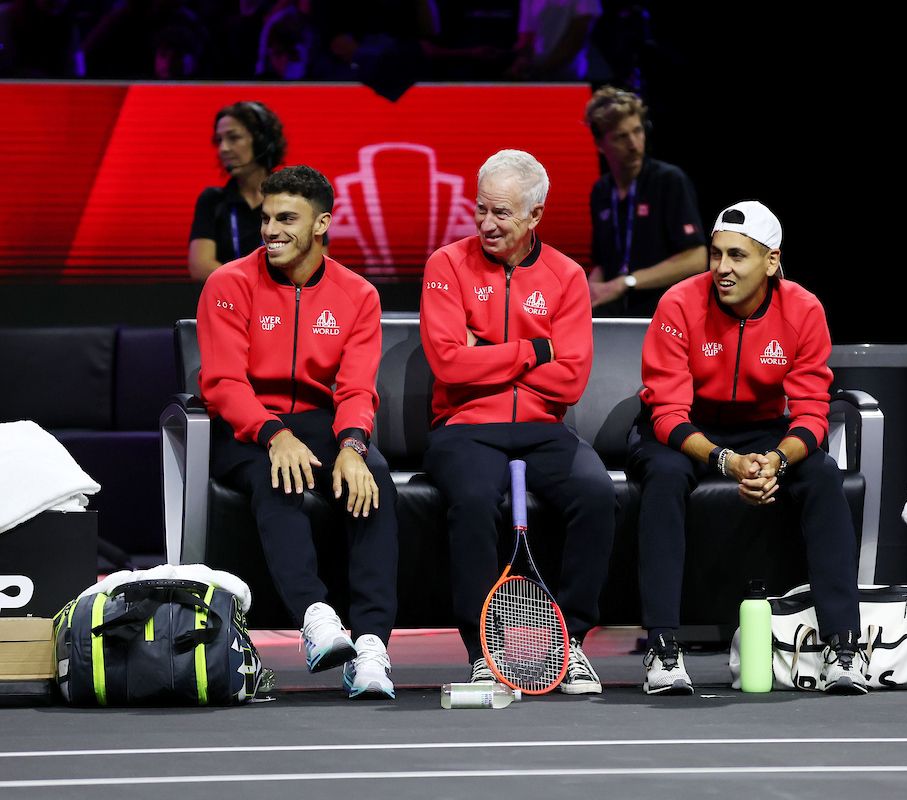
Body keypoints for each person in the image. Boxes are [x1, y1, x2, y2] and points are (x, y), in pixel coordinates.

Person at [628, 200, 867, 695]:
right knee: (666, 475)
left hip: (761, 429)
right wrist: (727, 461)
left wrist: (776, 461)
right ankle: (662, 649)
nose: (722, 269)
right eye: (716, 255)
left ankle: (843, 646)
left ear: (772, 262)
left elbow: (810, 415)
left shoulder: (803, 309)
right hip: (684, 429)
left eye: (737, 256)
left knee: (823, 475)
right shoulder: (678, 303)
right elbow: (667, 414)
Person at [196, 165, 399, 699]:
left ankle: (373, 648)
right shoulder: (229, 283)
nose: (271, 231)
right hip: (245, 428)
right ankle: (316, 620)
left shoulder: (358, 294)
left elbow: (357, 388)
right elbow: (221, 381)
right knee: (278, 475)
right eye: (266, 219)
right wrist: (271, 433)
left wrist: (354, 446)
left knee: (374, 479)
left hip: (321, 421)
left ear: (321, 224)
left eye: (287, 219)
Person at [419, 149, 615, 693]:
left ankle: (570, 642)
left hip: (544, 428)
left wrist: (488, 354)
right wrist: (534, 351)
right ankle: (484, 652)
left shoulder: (567, 276)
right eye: (479, 209)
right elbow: (447, 364)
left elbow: (572, 381)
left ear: (534, 216)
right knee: (476, 501)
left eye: (500, 213)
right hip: (463, 427)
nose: (485, 223)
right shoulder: (446, 265)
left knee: (597, 494)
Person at [584, 86, 707, 317]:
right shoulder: (600, 191)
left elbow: (697, 258)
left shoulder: (669, 180)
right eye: (621, 136)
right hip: (615, 314)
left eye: (638, 131)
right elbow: (601, 263)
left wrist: (628, 282)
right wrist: (590, 292)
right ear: (600, 144)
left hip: (664, 313)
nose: (634, 144)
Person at [188, 101, 286, 281]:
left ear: (262, 141)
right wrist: (255, 286)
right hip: (228, 304)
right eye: (219, 140)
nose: (223, 149)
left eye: (233, 138)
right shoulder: (212, 200)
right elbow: (200, 266)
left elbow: (312, 266)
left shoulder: (295, 200)